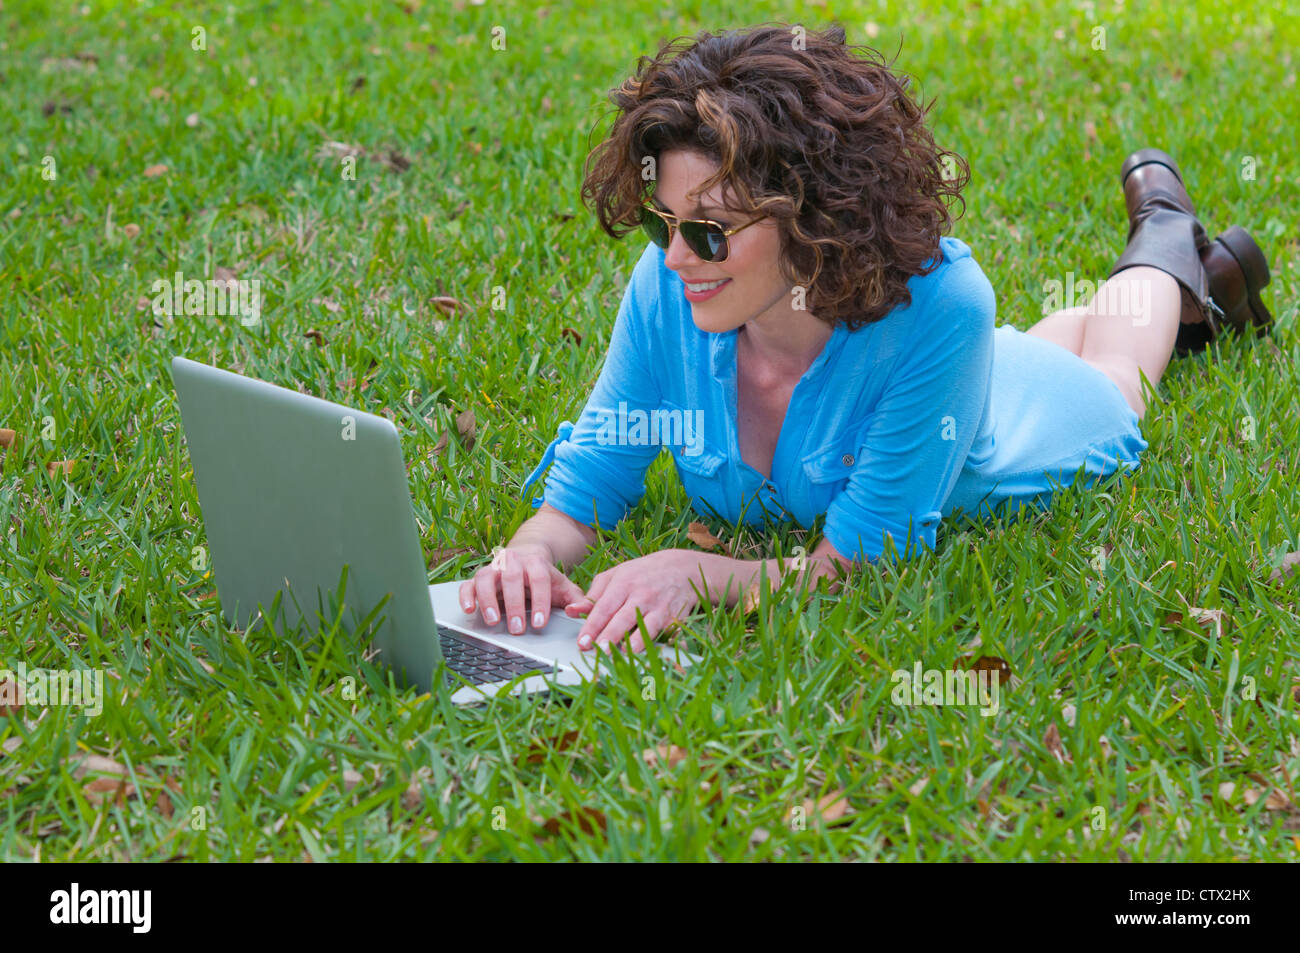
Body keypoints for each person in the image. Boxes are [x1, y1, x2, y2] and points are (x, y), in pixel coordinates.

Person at [458, 24, 1273, 654]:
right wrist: (529, 552)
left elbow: (861, 565)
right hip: (973, 370)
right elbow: (588, 484)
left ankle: (1165, 244)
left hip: (1043, 416)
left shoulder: (946, 306)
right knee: (1045, 335)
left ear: (814, 217)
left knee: (1118, 368)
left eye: (709, 232)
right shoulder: (669, 283)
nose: (675, 256)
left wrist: (705, 573)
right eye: (658, 222)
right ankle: (1214, 271)